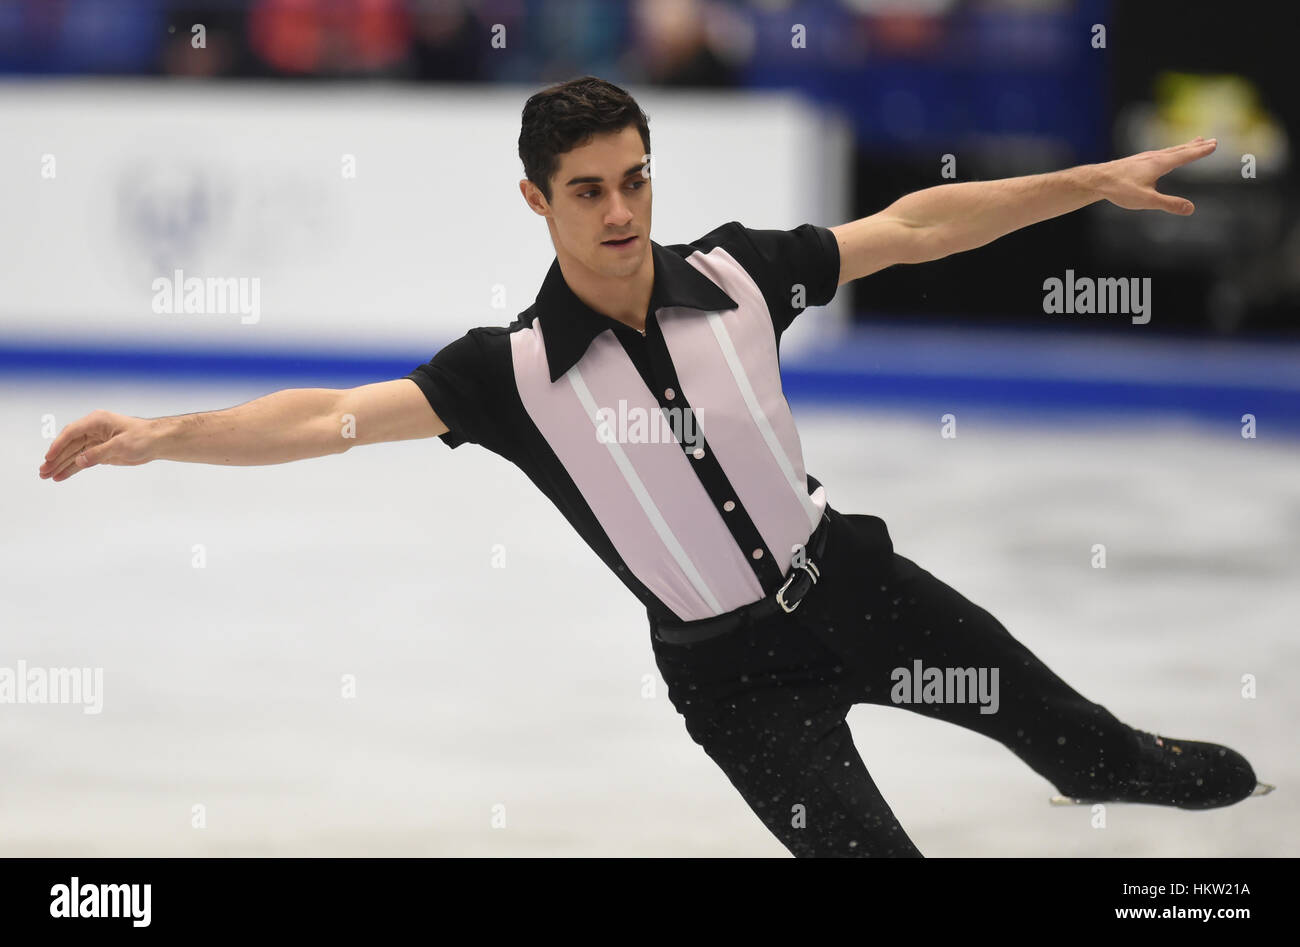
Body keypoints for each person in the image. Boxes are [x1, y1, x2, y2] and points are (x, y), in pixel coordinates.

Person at [38, 76, 1265, 857]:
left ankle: (1167, 769)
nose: (620, 211)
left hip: (860, 590)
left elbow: (914, 227)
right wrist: (161, 436)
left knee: (1103, 760)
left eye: (633, 179)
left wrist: (1087, 183)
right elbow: (329, 416)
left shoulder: (737, 275)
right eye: (587, 191)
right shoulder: (508, 374)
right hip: (733, 684)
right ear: (536, 199)